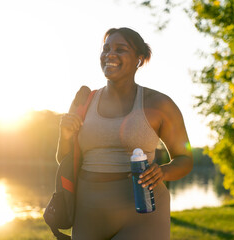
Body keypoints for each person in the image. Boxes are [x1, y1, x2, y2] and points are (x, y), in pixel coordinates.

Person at [56, 27, 193, 240]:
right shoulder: (84, 101)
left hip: (142, 210)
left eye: (120, 49)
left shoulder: (160, 104)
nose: (110, 54)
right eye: (106, 48)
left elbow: (185, 158)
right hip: (88, 212)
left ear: (139, 59)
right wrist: (64, 136)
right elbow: (63, 159)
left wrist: (163, 172)